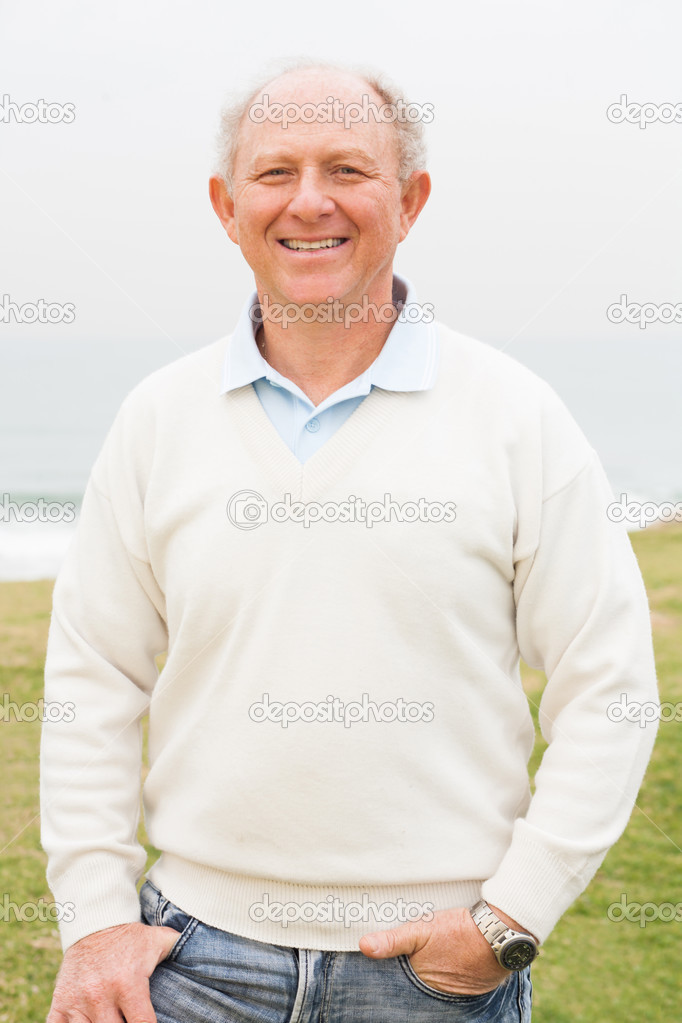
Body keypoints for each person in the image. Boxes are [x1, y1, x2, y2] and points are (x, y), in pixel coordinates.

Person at [41, 60, 658, 1023]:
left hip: (434, 978)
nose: (310, 201)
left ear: (410, 200)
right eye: (276, 171)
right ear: (226, 204)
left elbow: (611, 686)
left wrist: (509, 918)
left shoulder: (516, 417)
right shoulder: (157, 418)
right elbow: (93, 680)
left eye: (348, 169)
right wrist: (92, 919)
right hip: (192, 969)